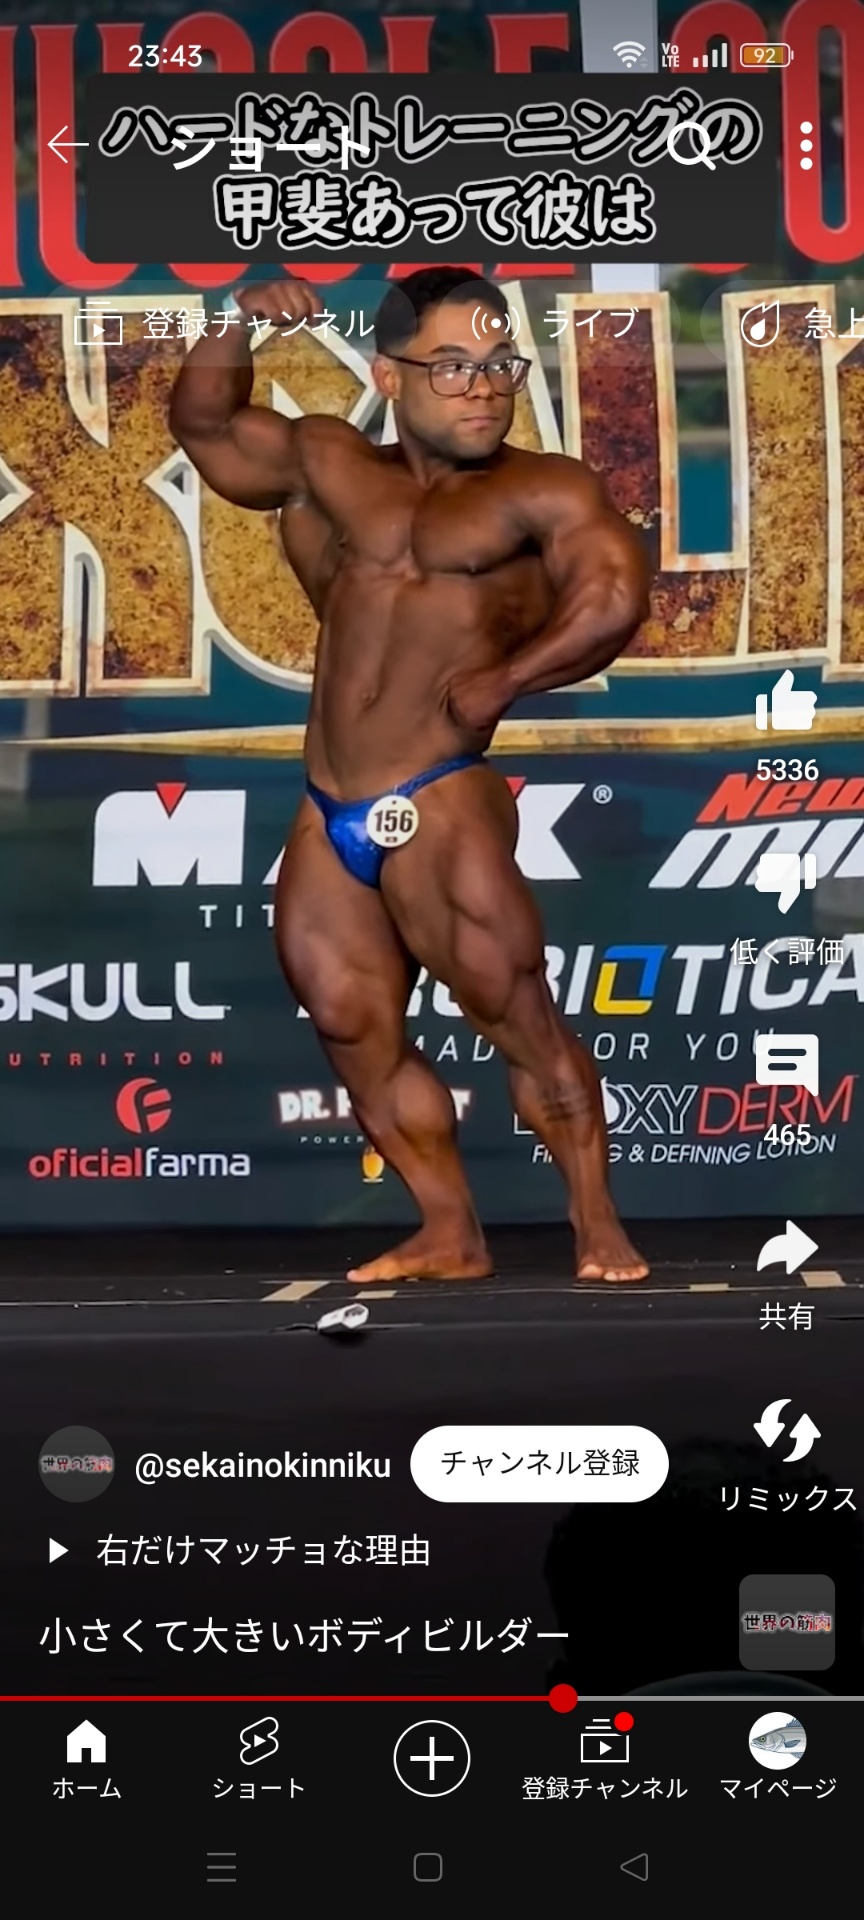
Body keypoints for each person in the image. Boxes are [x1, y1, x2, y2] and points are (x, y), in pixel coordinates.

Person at [169, 267, 652, 1284]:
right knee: (351, 1024)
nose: (484, 388)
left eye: (500, 365)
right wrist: (233, 322)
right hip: (328, 803)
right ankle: (448, 1232)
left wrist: (507, 679)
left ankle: (597, 1225)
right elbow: (206, 427)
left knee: (517, 1014)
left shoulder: (544, 489)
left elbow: (612, 598)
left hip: (438, 790)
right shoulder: (328, 462)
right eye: (454, 368)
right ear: (390, 376)